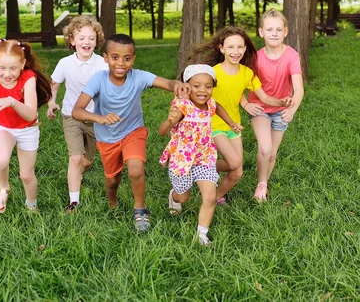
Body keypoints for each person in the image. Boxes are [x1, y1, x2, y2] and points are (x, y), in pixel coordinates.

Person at [72, 34, 188, 232]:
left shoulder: (139, 76)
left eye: (127, 58)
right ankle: (112, 203)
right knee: (112, 179)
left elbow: (166, 83)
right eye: (115, 57)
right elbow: (77, 111)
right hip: (106, 137)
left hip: (133, 131)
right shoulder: (98, 80)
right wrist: (100, 118)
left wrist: (175, 84)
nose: (121, 63)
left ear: (133, 59)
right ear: (106, 58)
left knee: (135, 169)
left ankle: (140, 209)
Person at [190, 27, 292, 204]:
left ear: (245, 49)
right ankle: (199, 169)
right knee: (235, 161)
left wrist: (281, 102)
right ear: (221, 48)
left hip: (233, 125)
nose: (235, 52)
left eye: (240, 47)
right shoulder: (211, 73)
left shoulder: (247, 73)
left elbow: (264, 97)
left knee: (237, 171)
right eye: (230, 47)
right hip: (213, 125)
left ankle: (213, 196)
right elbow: (197, 97)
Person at [158, 64, 242, 246]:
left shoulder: (210, 104)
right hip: (182, 160)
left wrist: (231, 123)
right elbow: (162, 132)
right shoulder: (182, 107)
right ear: (187, 86)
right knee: (184, 197)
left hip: (205, 158)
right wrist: (170, 121)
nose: (203, 90)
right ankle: (174, 197)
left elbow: (217, 107)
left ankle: (201, 235)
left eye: (208, 86)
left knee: (210, 197)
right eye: (196, 86)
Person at [0, 38, 52, 213]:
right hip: (3, 126)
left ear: (23, 63)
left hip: (27, 130)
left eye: (13, 68)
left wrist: (11, 101)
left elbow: (30, 114)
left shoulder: (28, 79)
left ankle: (31, 205)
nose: (6, 73)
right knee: (1, 161)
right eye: (2, 67)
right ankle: (3, 189)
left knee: (26, 175)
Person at [46, 16, 108, 213]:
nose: (86, 42)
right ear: (72, 40)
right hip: (71, 116)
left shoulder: (102, 64)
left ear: (97, 41)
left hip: (96, 118)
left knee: (87, 162)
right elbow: (54, 84)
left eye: (91, 38)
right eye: (81, 38)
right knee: (75, 158)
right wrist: (51, 101)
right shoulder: (65, 63)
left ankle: (77, 174)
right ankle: (74, 202)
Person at [243, 10, 304, 202]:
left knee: (272, 153)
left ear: (285, 31)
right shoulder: (256, 58)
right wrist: (246, 104)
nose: (274, 33)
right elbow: (238, 84)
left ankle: (264, 183)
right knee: (265, 147)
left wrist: (292, 110)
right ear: (261, 32)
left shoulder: (292, 56)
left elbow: (299, 89)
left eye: (279, 29)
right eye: (269, 29)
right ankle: (261, 184)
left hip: (281, 110)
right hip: (259, 107)